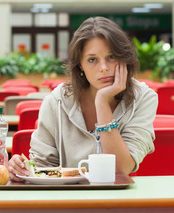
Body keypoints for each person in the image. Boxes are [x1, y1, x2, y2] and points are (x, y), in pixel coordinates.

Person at [8, 16, 158, 179]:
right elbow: (41, 168)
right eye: (92, 60)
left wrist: (102, 102)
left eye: (111, 57)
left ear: (124, 58)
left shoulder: (143, 98)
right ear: (80, 65)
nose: (103, 68)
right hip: (68, 201)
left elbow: (120, 169)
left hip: (119, 201)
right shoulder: (56, 101)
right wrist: (21, 169)